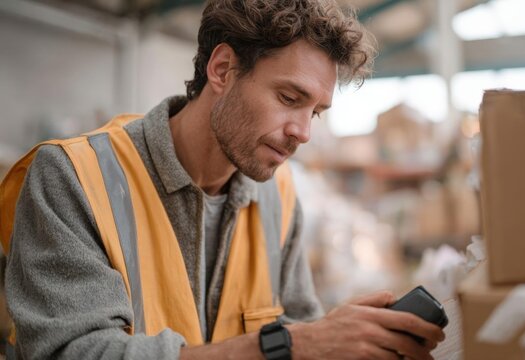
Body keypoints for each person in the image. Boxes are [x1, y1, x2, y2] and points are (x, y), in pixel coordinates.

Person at [0, 0, 446, 359]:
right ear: (222, 70)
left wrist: (333, 339)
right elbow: (75, 352)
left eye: (315, 112)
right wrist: (291, 346)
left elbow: (295, 326)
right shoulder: (74, 178)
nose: (303, 133)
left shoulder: (280, 197)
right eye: (289, 98)